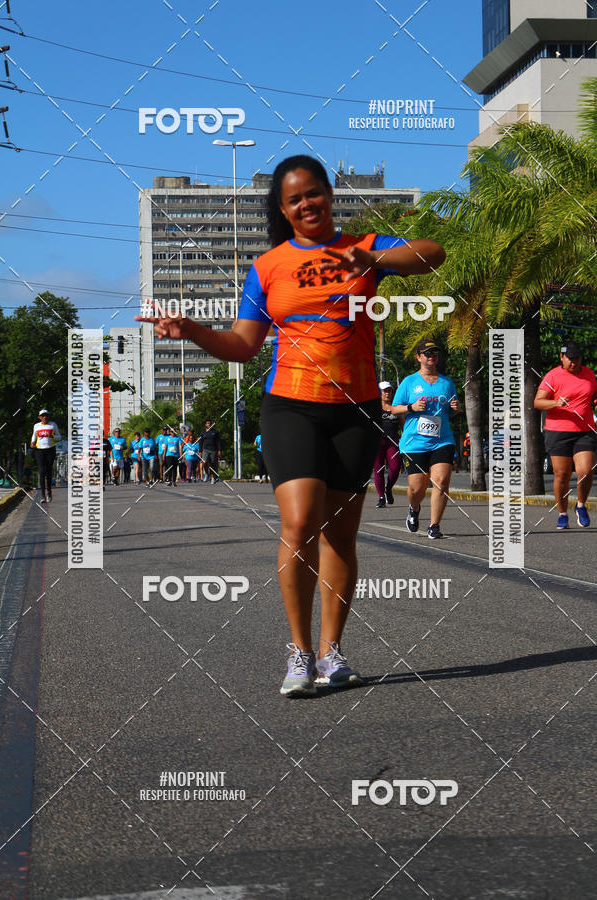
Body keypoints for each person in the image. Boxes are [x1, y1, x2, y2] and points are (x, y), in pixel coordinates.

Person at [136, 154, 445, 696]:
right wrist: (191, 329)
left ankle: (333, 651)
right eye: (294, 198)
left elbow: (432, 254)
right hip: (291, 405)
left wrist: (368, 259)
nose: (307, 203)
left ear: (329, 194)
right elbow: (242, 345)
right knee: (300, 523)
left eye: (314, 192)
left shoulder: (367, 249)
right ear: (283, 209)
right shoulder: (267, 268)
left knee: (341, 536)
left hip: (357, 408)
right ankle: (299, 653)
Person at [388, 340, 460, 539]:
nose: (431, 356)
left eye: (434, 353)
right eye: (426, 353)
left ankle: (434, 526)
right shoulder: (409, 382)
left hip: (442, 439)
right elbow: (394, 408)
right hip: (414, 442)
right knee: (416, 488)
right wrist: (411, 407)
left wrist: (455, 409)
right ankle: (414, 507)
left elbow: (450, 411)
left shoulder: (447, 383)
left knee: (441, 481)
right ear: (418, 357)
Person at [534, 341, 597, 529]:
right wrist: (555, 403)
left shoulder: (589, 374)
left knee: (585, 471)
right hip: (558, 430)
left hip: (584, 430)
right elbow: (538, 402)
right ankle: (562, 513)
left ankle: (580, 505)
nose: (574, 362)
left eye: (577, 358)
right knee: (562, 474)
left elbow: (593, 395)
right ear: (562, 357)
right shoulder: (553, 376)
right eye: (570, 358)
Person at [376, 381, 402, 508]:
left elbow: (403, 425)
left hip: (393, 441)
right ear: (379, 393)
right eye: (384, 391)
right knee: (379, 470)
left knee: (396, 468)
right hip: (378, 442)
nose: (387, 393)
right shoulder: (374, 408)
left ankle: (388, 488)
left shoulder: (396, 408)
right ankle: (381, 497)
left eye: (389, 391)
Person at [30, 408, 61, 503]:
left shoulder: (53, 425)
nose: (45, 417)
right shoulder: (36, 426)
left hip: (50, 450)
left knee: (48, 471)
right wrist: (32, 442)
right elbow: (34, 436)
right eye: (43, 416)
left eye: (46, 415)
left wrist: (52, 436)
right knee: (42, 472)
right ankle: (42, 495)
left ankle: (49, 491)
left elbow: (59, 437)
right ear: (40, 417)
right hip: (39, 451)